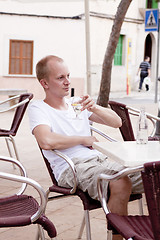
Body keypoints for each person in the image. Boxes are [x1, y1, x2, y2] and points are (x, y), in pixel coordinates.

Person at [28, 55, 143, 240]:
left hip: (100, 160)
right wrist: (83, 139)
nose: (67, 82)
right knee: (119, 182)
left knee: (154, 174)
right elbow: (46, 141)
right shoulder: (38, 108)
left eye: (68, 76)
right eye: (60, 78)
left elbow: (117, 122)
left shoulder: (75, 104)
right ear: (45, 83)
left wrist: (95, 108)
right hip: (72, 169)